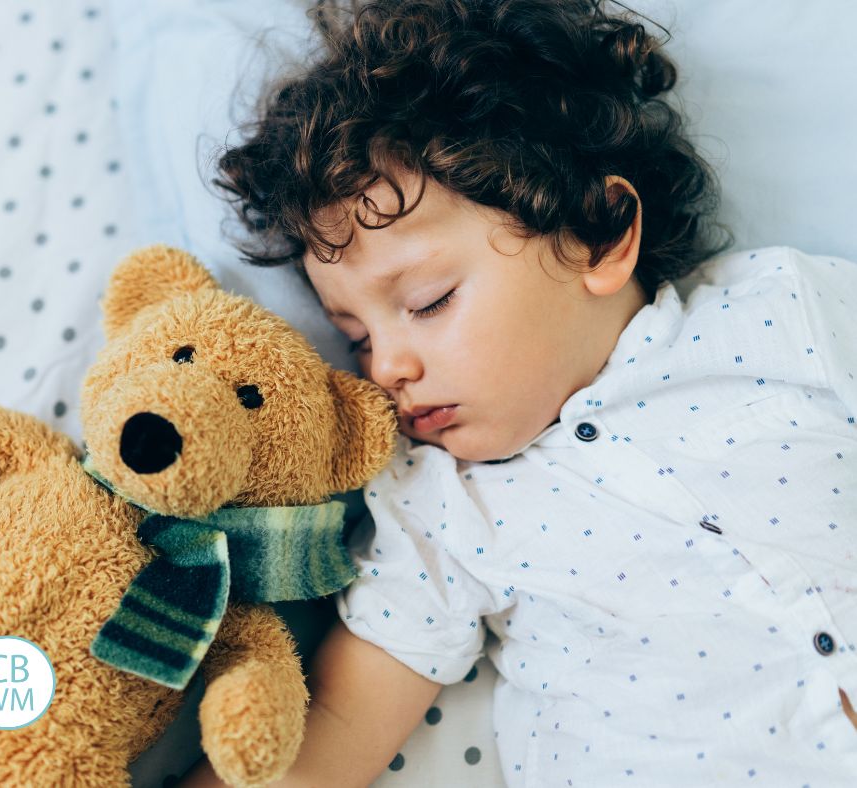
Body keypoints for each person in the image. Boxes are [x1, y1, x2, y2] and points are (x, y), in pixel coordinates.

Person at [183, 0, 857, 784]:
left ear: (599, 234)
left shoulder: (783, 309)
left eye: (429, 301)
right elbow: (337, 722)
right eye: (358, 337)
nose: (386, 367)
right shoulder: (439, 498)